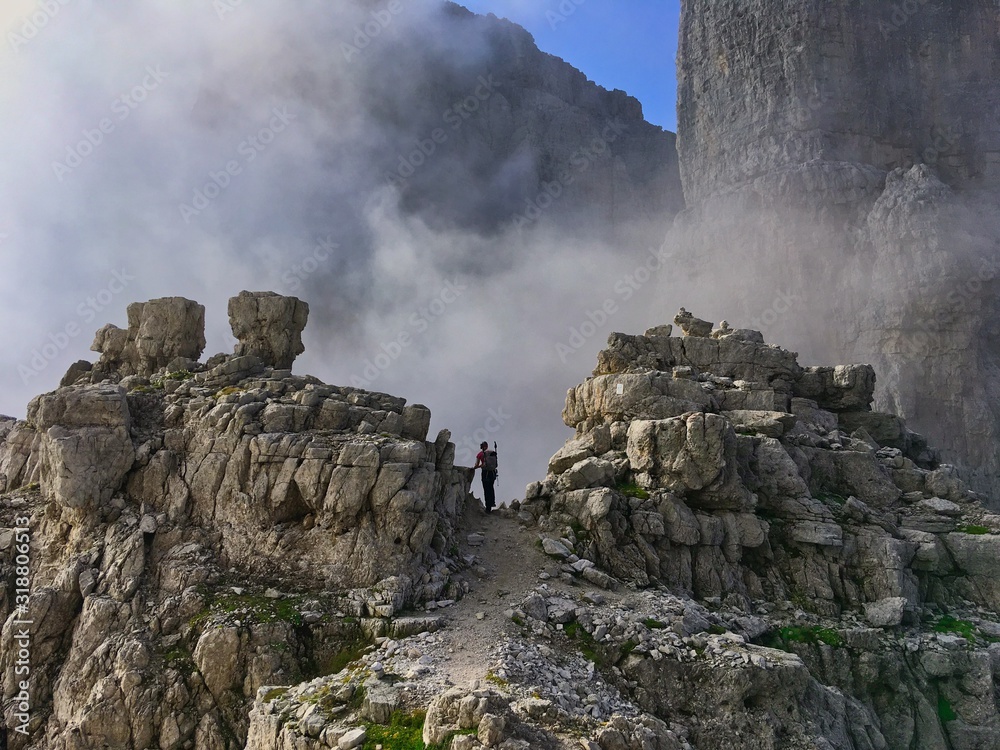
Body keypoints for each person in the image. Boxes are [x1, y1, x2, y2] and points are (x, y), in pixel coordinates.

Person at [473, 441, 497, 513]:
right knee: (491, 488)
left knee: (486, 490)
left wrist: (474, 468)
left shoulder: (480, 454)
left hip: (485, 473)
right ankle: (492, 502)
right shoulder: (492, 452)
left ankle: (488, 508)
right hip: (492, 473)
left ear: (481, 447)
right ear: (487, 446)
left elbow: (476, 465)